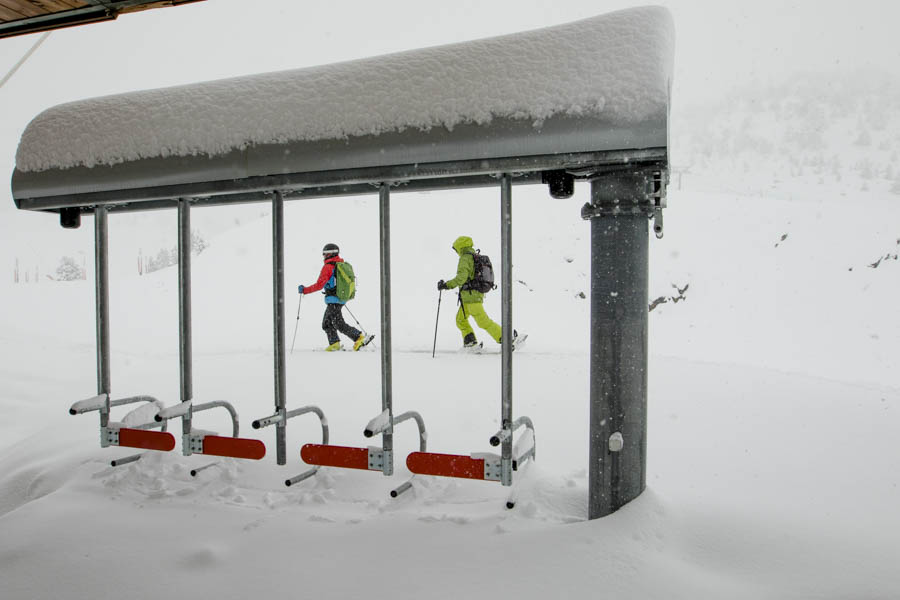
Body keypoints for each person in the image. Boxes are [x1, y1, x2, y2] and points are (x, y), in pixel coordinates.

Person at [437, 235, 516, 350]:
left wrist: (446, 285)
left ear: (460, 247)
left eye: (456, 249)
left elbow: (461, 278)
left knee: (483, 322)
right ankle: (470, 342)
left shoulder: (465, 258)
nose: (456, 252)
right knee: (460, 320)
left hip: (471, 297)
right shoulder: (474, 257)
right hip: (469, 297)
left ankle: (507, 338)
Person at [298, 243, 373, 352]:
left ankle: (358, 337)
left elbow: (319, 285)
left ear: (330, 254)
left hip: (334, 299)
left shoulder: (328, 267)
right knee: (327, 323)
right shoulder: (340, 264)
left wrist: (305, 290)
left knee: (338, 323)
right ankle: (334, 343)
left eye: (325, 254)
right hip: (339, 298)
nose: (323, 256)